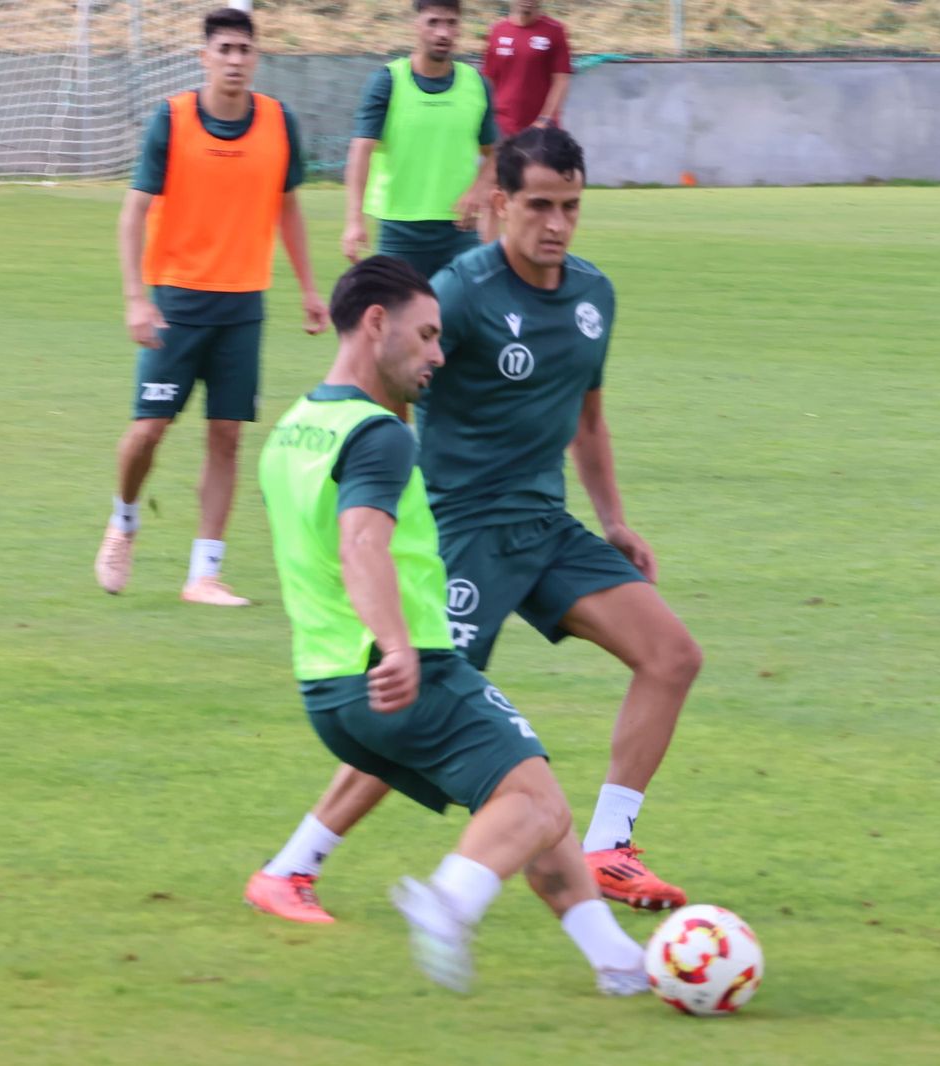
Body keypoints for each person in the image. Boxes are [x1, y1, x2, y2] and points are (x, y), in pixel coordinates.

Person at [247, 129, 702, 922]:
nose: (556, 224)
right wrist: (380, 490)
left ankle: (608, 847)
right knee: (417, 705)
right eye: (539, 205)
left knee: (671, 656)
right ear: (501, 202)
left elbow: (588, 419)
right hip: (464, 532)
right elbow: (388, 375)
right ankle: (292, 867)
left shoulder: (594, 296)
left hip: (545, 526)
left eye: (571, 207)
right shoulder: (459, 293)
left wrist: (615, 521)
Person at [253, 255, 647, 995]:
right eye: (428, 335)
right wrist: (398, 645)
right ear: (377, 324)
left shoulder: (294, 428)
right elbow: (361, 541)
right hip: (406, 671)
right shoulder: (381, 435)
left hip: (327, 690)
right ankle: (448, 902)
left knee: (529, 804)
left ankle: (618, 961)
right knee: (537, 801)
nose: (439, 354)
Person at [95, 6, 327, 606]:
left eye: (244, 50)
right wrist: (135, 298)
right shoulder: (171, 120)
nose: (234, 60)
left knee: (226, 436)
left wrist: (308, 289)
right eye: (224, 49)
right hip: (175, 301)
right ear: (204, 57)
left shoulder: (277, 122)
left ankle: (204, 573)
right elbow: (133, 213)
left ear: (256, 57)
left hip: (243, 303)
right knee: (149, 429)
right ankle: (123, 521)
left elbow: (289, 209)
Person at [342, 0, 500, 280]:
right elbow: (361, 151)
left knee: (466, 309)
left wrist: (478, 189)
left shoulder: (476, 84)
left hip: (459, 232)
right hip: (399, 231)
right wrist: (355, 220)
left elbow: (493, 153)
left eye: (451, 23)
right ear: (416, 25)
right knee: (397, 309)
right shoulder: (388, 81)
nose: (443, 33)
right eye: (433, 22)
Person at [483, 0, 573, 137]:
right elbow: (488, 80)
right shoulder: (497, 31)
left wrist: (544, 120)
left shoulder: (555, 31)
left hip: (541, 131)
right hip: (503, 128)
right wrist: (487, 118)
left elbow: (561, 81)